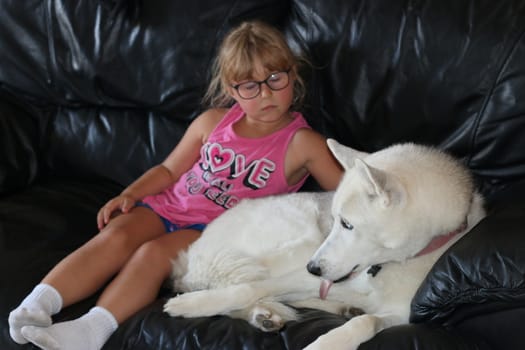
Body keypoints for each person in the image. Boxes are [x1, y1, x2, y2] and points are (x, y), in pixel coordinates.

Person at [8, 20, 343, 350]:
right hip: (168, 205)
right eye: (249, 86)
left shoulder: (303, 143)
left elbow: (346, 197)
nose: (266, 93)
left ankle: (89, 332)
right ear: (231, 89)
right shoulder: (212, 122)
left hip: (213, 232)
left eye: (274, 78)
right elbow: (168, 170)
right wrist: (131, 194)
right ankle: (36, 304)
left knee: (151, 255)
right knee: (117, 235)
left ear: (293, 75)